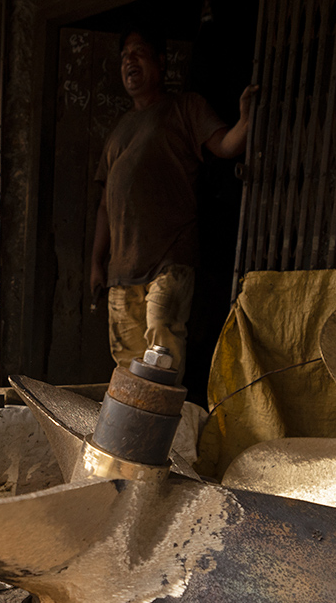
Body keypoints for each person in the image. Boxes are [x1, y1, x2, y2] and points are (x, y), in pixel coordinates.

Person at [90, 26, 257, 381]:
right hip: (121, 273)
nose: (128, 61)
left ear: (161, 63)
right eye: (123, 57)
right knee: (127, 369)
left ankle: (166, 434)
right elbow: (105, 204)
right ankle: (134, 436)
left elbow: (227, 146)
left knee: (161, 353)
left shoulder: (184, 108)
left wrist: (246, 121)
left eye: (137, 52)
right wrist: (96, 263)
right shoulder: (120, 129)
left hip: (169, 259)